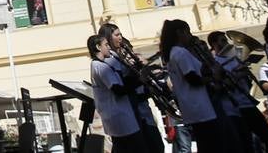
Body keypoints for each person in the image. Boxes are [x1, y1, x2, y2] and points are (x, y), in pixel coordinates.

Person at [99, 23, 165, 153]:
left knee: (156, 146)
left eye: (120, 34)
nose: (120, 38)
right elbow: (121, 86)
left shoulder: (119, 58)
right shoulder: (109, 61)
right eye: (117, 35)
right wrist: (139, 75)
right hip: (131, 114)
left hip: (143, 110)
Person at [160, 20, 223, 153]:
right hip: (199, 106)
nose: (190, 36)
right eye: (187, 32)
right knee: (212, 144)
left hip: (192, 107)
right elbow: (192, 78)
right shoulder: (180, 53)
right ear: (180, 33)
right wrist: (213, 77)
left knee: (205, 143)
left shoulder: (172, 54)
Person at [88, 35, 144, 152]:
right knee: (135, 147)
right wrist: (140, 80)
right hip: (120, 117)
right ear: (98, 47)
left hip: (119, 117)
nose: (109, 48)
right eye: (106, 45)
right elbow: (118, 90)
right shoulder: (101, 67)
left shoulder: (101, 65)